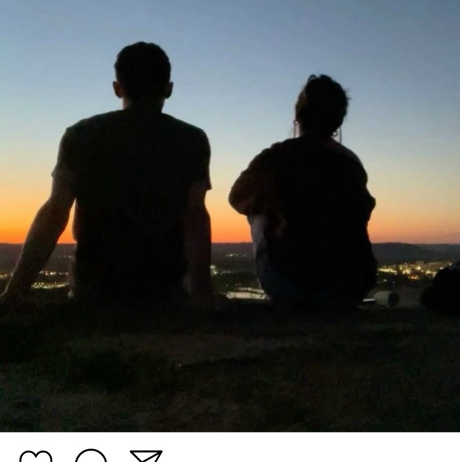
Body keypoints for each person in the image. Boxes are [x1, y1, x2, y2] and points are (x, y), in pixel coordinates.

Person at [1, 42, 213, 306]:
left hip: (93, 291)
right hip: (164, 291)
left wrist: (16, 290)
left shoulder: (81, 134)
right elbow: (195, 216)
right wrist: (202, 292)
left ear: (117, 88)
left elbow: (55, 212)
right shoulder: (192, 140)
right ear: (168, 89)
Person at [229, 74, 377, 306]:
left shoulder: (276, 157)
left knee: (257, 210)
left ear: (298, 115)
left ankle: (282, 282)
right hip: (352, 286)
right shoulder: (352, 163)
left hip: (294, 287)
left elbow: (237, 198)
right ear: (339, 121)